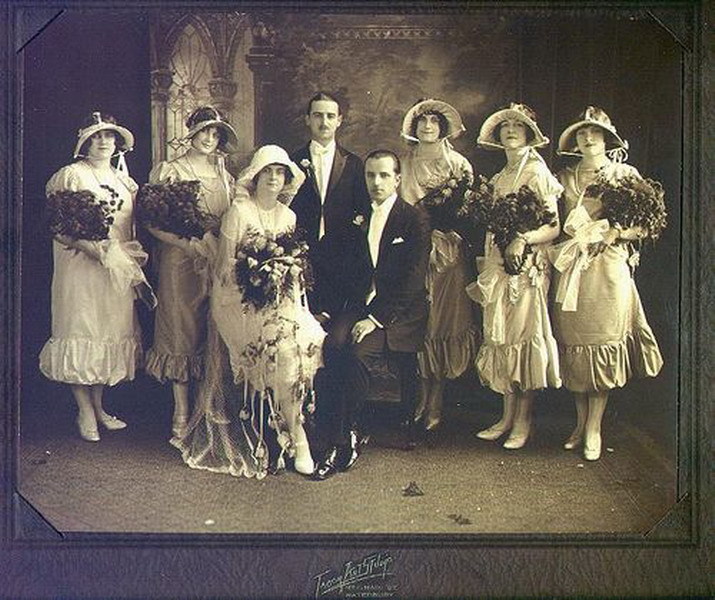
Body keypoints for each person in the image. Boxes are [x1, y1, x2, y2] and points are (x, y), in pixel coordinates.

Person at [172, 145, 324, 478]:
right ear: (255, 177)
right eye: (267, 172)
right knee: (277, 347)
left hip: (279, 301)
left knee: (300, 343)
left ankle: (293, 433)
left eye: (280, 173)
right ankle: (294, 437)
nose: (273, 178)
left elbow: (291, 264)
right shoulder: (239, 212)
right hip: (236, 301)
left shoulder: (288, 216)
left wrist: (281, 278)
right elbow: (224, 270)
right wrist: (255, 284)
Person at [550, 106, 663, 461]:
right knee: (575, 344)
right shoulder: (563, 177)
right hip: (573, 267)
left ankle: (595, 427)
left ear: (607, 139)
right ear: (575, 141)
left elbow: (647, 225)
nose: (588, 138)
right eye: (582, 133)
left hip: (608, 269)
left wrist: (617, 232)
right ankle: (580, 423)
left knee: (600, 343)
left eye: (594, 133)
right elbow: (553, 222)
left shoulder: (624, 175)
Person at [312, 150, 431, 481]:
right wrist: (326, 309)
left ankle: (342, 441)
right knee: (333, 344)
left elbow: (412, 280)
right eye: (370, 175)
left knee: (358, 352)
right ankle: (344, 430)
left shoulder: (413, 220)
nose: (376, 182)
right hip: (360, 305)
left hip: (398, 312)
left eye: (383, 175)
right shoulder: (358, 216)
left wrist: (375, 319)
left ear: (397, 179)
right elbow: (336, 267)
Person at [40, 111, 148, 442]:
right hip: (80, 267)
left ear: (117, 143)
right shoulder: (71, 176)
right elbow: (58, 228)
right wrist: (92, 248)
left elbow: (128, 229)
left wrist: (120, 257)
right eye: (96, 136)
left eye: (109, 135)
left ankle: (99, 406)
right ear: (85, 142)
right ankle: (84, 410)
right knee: (81, 328)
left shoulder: (124, 182)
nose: (103, 141)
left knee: (107, 332)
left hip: (115, 270)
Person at [468, 103, 562, 449]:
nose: (510, 130)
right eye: (505, 125)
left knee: (523, 338)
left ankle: (523, 421)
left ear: (529, 134)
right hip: (500, 266)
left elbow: (554, 226)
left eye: (518, 126)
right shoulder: (500, 177)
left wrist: (522, 239)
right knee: (503, 338)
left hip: (527, 269)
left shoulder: (537, 172)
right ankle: (506, 417)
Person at [144, 106, 237, 438]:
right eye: (204, 131)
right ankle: (181, 408)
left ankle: (207, 405)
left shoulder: (225, 176)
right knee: (180, 328)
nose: (209, 138)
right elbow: (152, 222)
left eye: (215, 133)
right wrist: (187, 244)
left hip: (214, 260)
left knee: (211, 328)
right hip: (180, 261)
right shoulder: (171, 171)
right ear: (191, 133)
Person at [399, 99, 479, 431]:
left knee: (443, 323)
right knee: (422, 322)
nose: (428, 127)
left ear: (443, 127)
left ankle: (437, 399)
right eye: (422, 122)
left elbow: (469, 212)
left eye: (434, 122)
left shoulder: (459, 165)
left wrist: (449, 232)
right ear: (414, 128)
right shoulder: (404, 164)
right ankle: (422, 395)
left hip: (449, 255)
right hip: (416, 251)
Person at [290, 91, 370, 321]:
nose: (324, 122)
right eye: (318, 115)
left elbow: (364, 209)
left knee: (335, 323)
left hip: (341, 254)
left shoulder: (353, 163)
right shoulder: (292, 161)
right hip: (302, 250)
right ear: (308, 119)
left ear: (339, 120)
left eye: (330, 116)